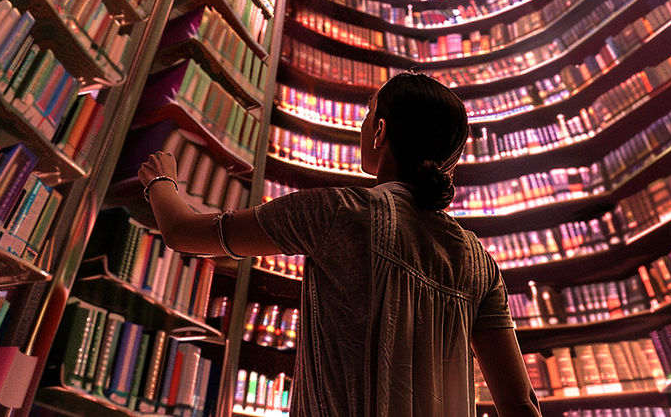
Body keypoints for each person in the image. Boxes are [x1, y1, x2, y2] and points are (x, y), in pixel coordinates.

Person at [139, 72, 541, 417]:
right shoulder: (478, 262)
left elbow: (184, 233)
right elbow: (521, 405)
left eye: (368, 116)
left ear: (380, 131)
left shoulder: (336, 212)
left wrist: (162, 181)